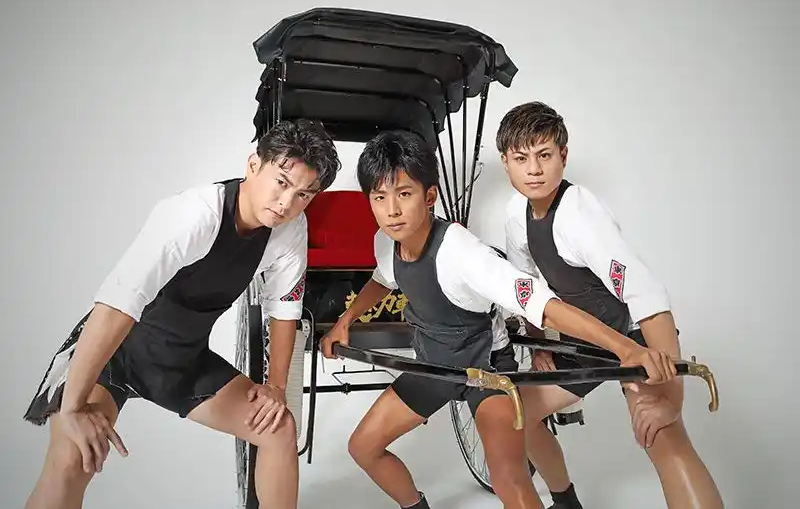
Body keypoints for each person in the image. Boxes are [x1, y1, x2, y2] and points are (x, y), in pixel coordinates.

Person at [320, 129, 677, 509]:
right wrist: (345, 321)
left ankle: (566, 502)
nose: (391, 210)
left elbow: (545, 306)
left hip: (485, 372)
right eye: (379, 197)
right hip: (433, 367)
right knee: (363, 447)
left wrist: (625, 349)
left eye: (404, 194)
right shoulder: (385, 241)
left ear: (429, 196)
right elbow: (383, 279)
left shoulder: (462, 253)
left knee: (509, 480)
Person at [22, 119, 341, 509]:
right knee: (71, 461)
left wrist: (275, 387)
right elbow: (117, 303)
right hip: (115, 353)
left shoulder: (290, 229)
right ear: (253, 165)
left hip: (180, 360)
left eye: (303, 195)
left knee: (278, 427)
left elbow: (285, 310)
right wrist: (72, 407)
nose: (287, 203)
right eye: (282, 182)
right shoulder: (194, 214)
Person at [497, 101, 725, 509]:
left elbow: (647, 295)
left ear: (563, 156)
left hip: (635, 335)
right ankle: (566, 502)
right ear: (505, 163)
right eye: (521, 158)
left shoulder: (579, 215)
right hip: (584, 342)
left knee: (662, 437)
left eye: (544, 155)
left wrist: (670, 401)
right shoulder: (517, 215)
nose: (534, 169)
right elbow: (527, 286)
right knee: (513, 415)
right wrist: (541, 346)